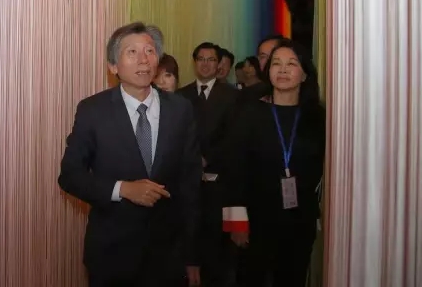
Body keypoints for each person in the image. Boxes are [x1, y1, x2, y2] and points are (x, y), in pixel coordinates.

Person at [58, 22, 203, 287]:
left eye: (149, 51)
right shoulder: (93, 110)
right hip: (112, 255)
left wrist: (192, 254)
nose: (143, 59)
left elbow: (190, 184)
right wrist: (122, 189)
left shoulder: (181, 109)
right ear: (113, 66)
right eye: (132, 52)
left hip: (168, 255)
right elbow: (70, 175)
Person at [221, 39, 325, 287]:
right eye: (276, 63)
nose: (283, 70)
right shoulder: (249, 113)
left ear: (304, 74)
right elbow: (233, 168)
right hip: (255, 220)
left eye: (292, 64)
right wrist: (236, 221)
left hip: (300, 220)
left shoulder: (318, 118)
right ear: (268, 72)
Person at [177, 42, 239, 286]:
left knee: (216, 245)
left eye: (211, 59)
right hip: (187, 180)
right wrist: (192, 158)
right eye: (201, 59)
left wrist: (208, 157)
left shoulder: (233, 96)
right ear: (194, 62)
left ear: (219, 64)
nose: (205, 64)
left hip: (220, 181)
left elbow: (235, 137)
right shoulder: (180, 96)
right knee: (188, 236)